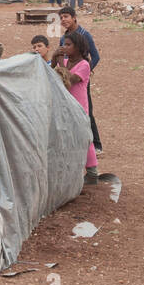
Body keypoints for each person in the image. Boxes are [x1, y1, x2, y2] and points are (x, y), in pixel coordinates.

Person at [52, 29, 99, 185]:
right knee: (68, 138)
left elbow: (68, 80)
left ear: (78, 47)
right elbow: (52, 74)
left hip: (78, 108)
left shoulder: (84, 65)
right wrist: (54, 59)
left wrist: (59, 62)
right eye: (63, 44)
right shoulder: (66, 62)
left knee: (85, 139)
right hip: (66, 107)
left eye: (68, 45)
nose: (64, 47)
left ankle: (92, 172)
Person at [58, 6, 102, 152]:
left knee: (86, 109)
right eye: (61, 18)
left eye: (66, 17)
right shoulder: (63, 38)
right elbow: (62, 58)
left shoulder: (85, 35)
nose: (63, 20)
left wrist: (85, 71)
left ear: (74, 17)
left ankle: (96, 145)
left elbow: (95, 56)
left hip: (80, 79)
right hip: (67, 79)